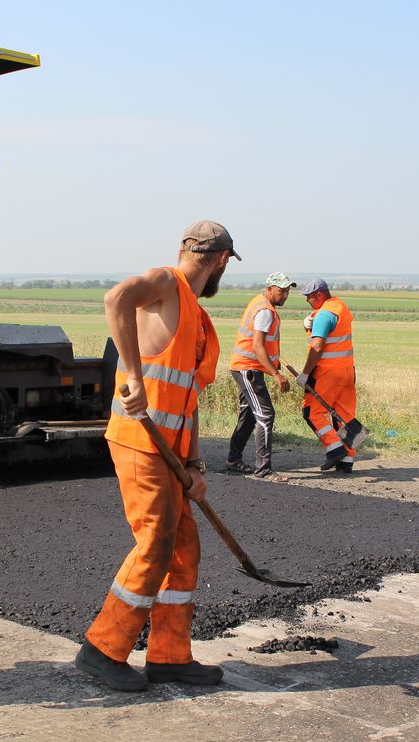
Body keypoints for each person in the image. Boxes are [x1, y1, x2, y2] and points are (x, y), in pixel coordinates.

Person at [75, 220, 239, 691]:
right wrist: (133, 376)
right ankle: (103, 649)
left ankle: (169, 656)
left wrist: (192, 466)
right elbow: (116, 298)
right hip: (139, 440)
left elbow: (186, 399)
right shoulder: (169, 283)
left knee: (183, 548)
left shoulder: (193, 312)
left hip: (170, 452)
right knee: (156, 544)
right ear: (223, 259)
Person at [225, 272, 294, 480]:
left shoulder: (260, 302)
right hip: (248, 368)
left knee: (248, 415)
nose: (285, 295)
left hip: (247, 367)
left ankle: (233, 460)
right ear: (270, 288)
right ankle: (263, 469)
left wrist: (273, 361)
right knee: (265, 415)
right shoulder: (265, 310)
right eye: (281, 291)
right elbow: (257, 345)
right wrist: (276, 374)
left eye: (288, 291)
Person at [295, 278, 357, 473]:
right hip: (347, 370)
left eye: (310, 298)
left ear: (319, 295)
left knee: (311, 412)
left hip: (327, 372)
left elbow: (317, 346)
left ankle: (334, 447)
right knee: (344, 415)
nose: (308, 301)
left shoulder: (324, 315)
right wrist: (309, 323)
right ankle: (346, 461)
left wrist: (305, 373)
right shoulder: (341, 307)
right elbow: (332, 328)